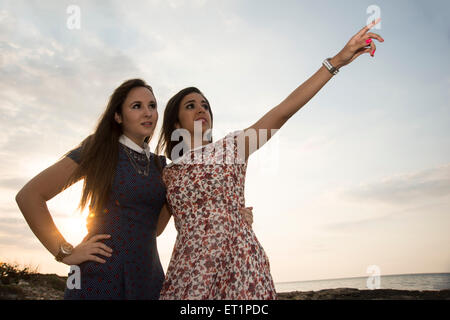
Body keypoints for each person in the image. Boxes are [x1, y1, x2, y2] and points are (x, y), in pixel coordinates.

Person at [155, 19, 384, 299]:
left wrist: (336, 61)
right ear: (176, 123)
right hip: (190, 274)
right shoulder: (168, 173)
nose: (201, 109)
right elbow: (153, 229)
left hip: (240, 269)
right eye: (191, 106)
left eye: (205, 105)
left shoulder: (232, 147)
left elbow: (283, 111)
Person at [15, 77, 254, 299]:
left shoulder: (162, 166)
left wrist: (230, 214)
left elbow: (158, 227)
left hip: (148, 279)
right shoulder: (98, 149)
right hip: (99, 277)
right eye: (137, 106)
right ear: (118, 116)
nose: (148, 112)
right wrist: (64, 252)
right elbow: (30, 196)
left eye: (152, 105)